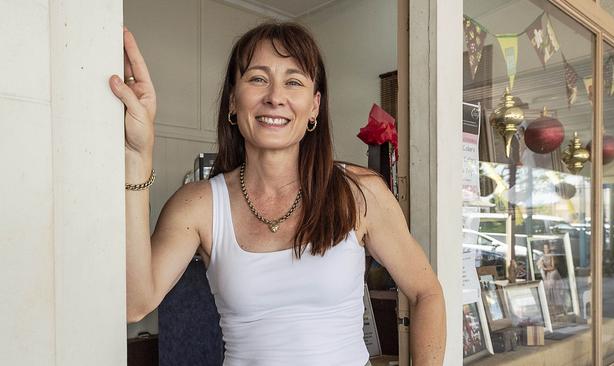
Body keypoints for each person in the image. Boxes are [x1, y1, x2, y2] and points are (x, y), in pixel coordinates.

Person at [109, 22, 446, 366]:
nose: (275, 97)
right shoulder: (198, 206)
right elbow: (135, 303)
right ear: (232, 100)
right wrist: (138, 156)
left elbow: (426, 293)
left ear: (314, 106)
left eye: (294, 82)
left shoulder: (360, 193)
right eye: (257, 78)